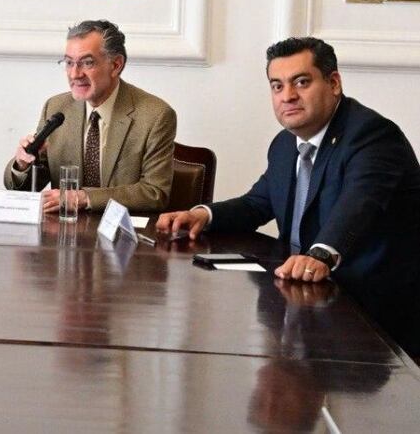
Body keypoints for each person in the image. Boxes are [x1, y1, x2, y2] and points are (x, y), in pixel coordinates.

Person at [156, 37, 420, 355]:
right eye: (277, 86)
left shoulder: (372, 136)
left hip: (373, 316)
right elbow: (259, 202)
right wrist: (202, 215)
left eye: (302, 82)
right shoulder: (285, 144)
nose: (288, 96)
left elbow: (359, 204)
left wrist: (320, 255)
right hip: (307, 300)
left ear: (334, 82)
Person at [4, 20, 176, 214]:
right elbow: (24, 189)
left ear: (116, 65)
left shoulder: (155, 115)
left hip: (123, 237)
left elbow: (154, 193)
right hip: (63, 235)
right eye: (69, 63)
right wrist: (23, 165)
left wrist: (84, 197)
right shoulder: (56, 107)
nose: (75, 74)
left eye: (87, 62)